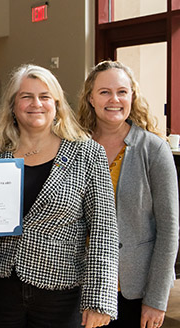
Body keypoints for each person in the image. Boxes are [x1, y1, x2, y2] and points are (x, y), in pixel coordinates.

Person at [0, 64, 118, 328]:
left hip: (62, 294)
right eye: (26, 96)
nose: (36, 103)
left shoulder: (87, 153)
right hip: (2, 290)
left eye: (45, 96)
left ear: (57, 104)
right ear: (13, 105)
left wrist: (99, 300)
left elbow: (104, 230)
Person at [78, 60, 179, 328]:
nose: (114, 99)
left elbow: (169, 230)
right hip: (82, 285)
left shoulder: (154, 149)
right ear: (91, 98)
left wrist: (157, 299)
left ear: (132, 96)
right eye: (104, 92)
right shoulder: (75, 146)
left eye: (122, 91)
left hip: (135, 289)